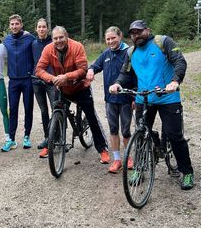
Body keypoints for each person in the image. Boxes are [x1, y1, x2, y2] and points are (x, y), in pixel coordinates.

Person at [109, 20, 194, 190]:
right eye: (132, 33)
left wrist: (175, 81)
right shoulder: (131, 52)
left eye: (139, 32)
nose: (135, 35)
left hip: (167, 97)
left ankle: (187, 172)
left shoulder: (163, 42)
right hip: (144, 98)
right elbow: (125, 73)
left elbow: (180, 62)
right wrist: (118, 83)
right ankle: (140, 168)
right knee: (140, 134)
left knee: (175, 135)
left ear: (147, 30)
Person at [36, 26, 109, 163]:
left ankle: (102, 149)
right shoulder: (48, 49)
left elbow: (83, 69)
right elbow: (39, 69)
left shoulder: (77, 47)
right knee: (56, 114)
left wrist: (66, 76)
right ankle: (51, 143)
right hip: (63, 89)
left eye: (61, 37)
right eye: (55, 38)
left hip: (80, 87)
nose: (58, 41)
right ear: (52, 39)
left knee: (91, 117)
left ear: (67, 36)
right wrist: (52, 78)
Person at [87, 26, 133, 173]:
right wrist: (90, 70)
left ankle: (129, 158)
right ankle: (117, 159)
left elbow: (136, 75)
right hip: (110, 100)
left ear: (120, 37)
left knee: (125, 131)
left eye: (113, 38)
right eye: (108, 39)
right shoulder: (106, 54)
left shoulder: (129, 53)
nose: (111, 41)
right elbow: (95, 65)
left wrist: (134, 97)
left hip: (126, 98)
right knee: (113, 130)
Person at [1, 14, 35, 152]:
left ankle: (27, 136)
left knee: (28, 108)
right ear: (10, 26)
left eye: (17, 24)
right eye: (12, 24)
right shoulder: (6, 40)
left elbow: (41, 44)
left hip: (27, 80)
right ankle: (11, 139)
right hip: (13, 81)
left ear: (21, 25)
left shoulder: (29, 38)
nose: (14, 26)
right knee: (13, 109)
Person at [32, 18, 55, 158]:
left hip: (52, 81)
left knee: (56, 109)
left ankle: (57, 139)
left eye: (44, 27)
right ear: (36, 29)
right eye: (39, 27)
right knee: (43, 111)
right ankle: (48, 138)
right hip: (37, 81)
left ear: (48, 29)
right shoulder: (33, 44)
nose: (41, 29)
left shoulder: (53, 43)